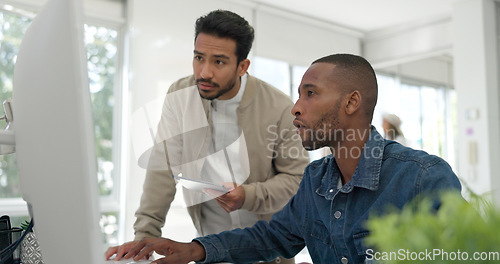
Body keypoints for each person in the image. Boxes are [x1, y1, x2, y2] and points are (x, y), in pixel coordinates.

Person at [110, 53, 462, 264]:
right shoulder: (315, 179)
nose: (295, 108)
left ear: (352, 103)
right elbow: (270, 237)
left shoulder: (422, 179)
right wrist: (193, 251)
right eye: (298, 95)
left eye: (310, 94)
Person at [105, 9, 309, 264]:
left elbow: (298, 180)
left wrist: (248, 195)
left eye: (219, 62)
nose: (204, 72)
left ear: (242, 66)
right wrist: (144, 235)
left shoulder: (278, 106)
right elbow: (162, 167)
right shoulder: (180, 95)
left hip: (269, 253)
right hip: (207, 250)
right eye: (199, 58)